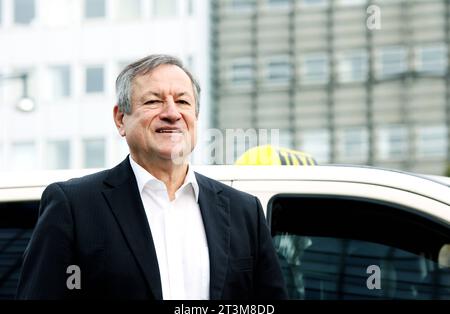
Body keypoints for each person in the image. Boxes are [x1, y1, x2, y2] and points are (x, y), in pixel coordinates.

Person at [16, 54, 288, 300]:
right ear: (121, 119)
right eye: (153, 101)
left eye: (182, 101)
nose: (172, 113)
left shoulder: (244, 211)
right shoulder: (73, 206)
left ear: (195, 116)